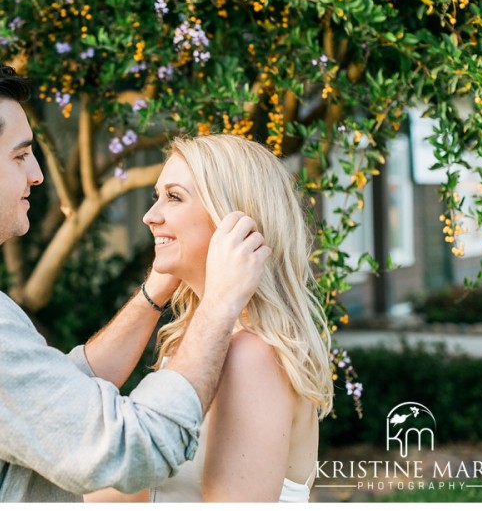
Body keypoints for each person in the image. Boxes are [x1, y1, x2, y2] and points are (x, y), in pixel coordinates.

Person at [0, 59, 272, 502]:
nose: (36, 173)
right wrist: (218, 305)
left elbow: (50, 394)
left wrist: (156, 290)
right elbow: (135, 451)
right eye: (19, 156)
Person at [85, 134, 334, 503]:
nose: (150, 216)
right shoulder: (200, 341)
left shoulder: (252, 356)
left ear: (231, 218)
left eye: (174, 197)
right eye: (157, 196)